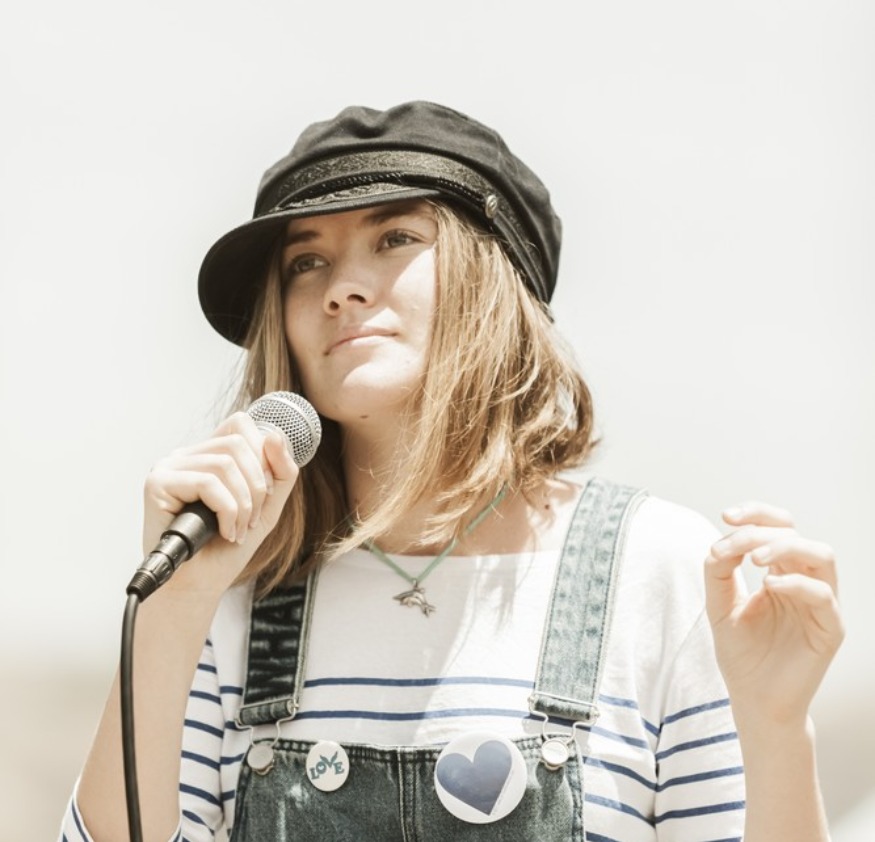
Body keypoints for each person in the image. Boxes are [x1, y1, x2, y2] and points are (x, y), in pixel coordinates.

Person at [59, 101, 843, 842]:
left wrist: (777, 729)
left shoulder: (659, 568)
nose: (340, 288)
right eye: (306, 261)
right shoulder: (226, 593)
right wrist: (172, 609)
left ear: (497, 279)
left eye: (395, 237)